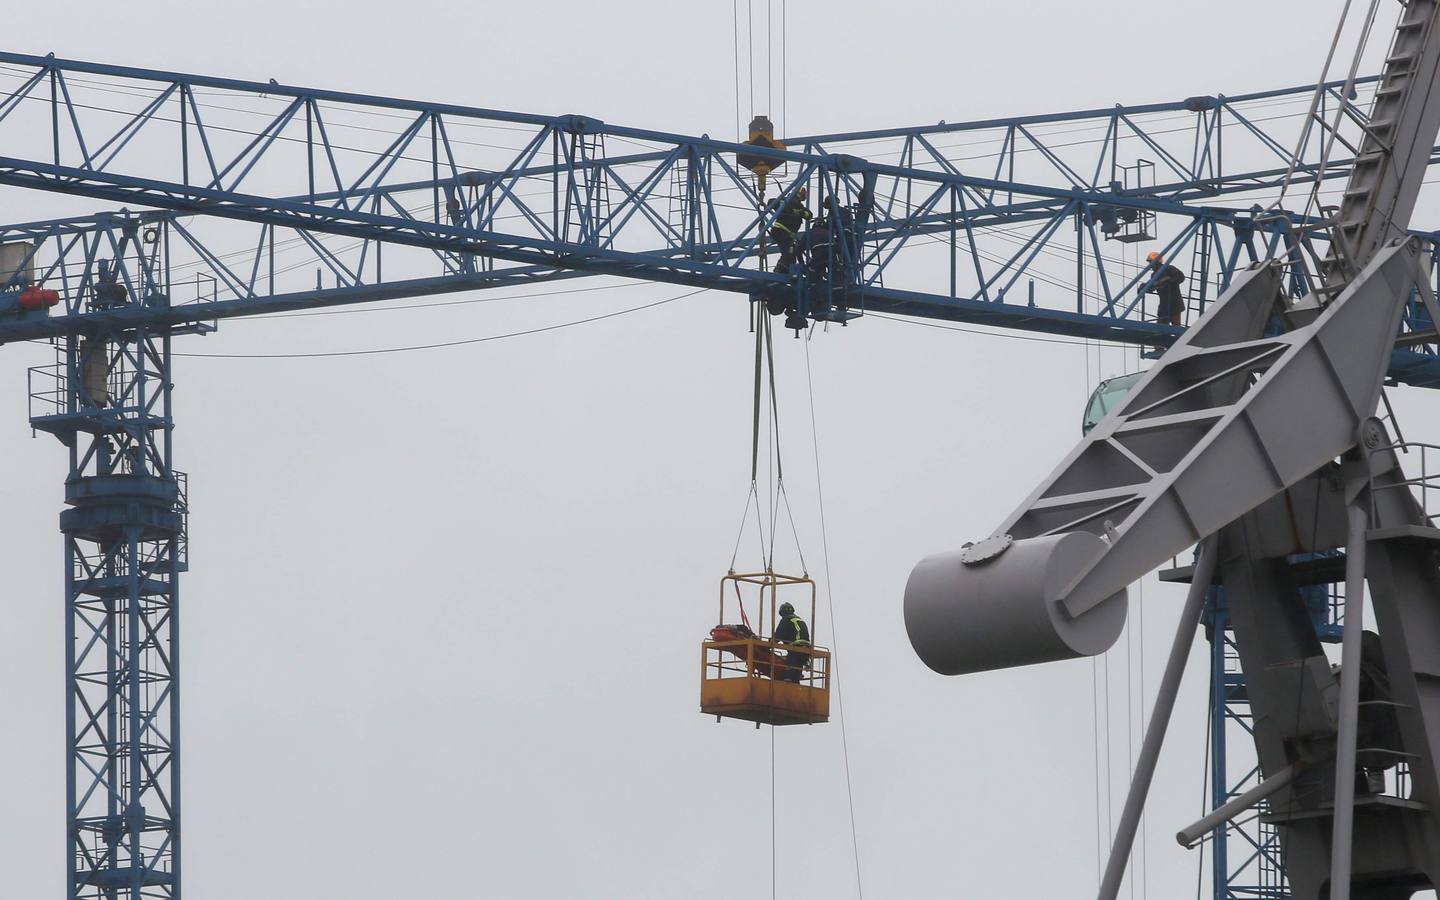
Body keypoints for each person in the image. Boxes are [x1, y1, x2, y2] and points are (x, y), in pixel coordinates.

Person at [765, 186, 811, 274]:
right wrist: (784, 206)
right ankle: (780, 271)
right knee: (788, 253)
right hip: (781, 232)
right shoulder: (785, 202)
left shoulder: (800, 207)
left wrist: (801, 213)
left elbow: (809, 215)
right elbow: (771, 202)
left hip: (787, 235)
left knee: (791, 255)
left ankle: (783, 270)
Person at [1139, 251, 1185, 326]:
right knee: (1161, 328)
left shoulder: (1169, 269)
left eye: (1151, 263)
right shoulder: (1154, 275)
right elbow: (1151, 285)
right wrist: (1143, 287)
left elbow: (1180, 277)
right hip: (1164, 305)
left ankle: (1180, 337)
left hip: (1174, 303)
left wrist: (1169, 281)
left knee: (1176, 327)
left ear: (1157, 262)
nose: (1150, 265)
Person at [773, 601, 812, 684]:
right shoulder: (798, 619)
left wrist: (770, 643)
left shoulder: (786, 620)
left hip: (796, 646)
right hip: (806, 648)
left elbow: (778, 635)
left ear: (782, 613)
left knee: (791, 665)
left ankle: (788, 679)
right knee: (798, 666)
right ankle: (795, 680)